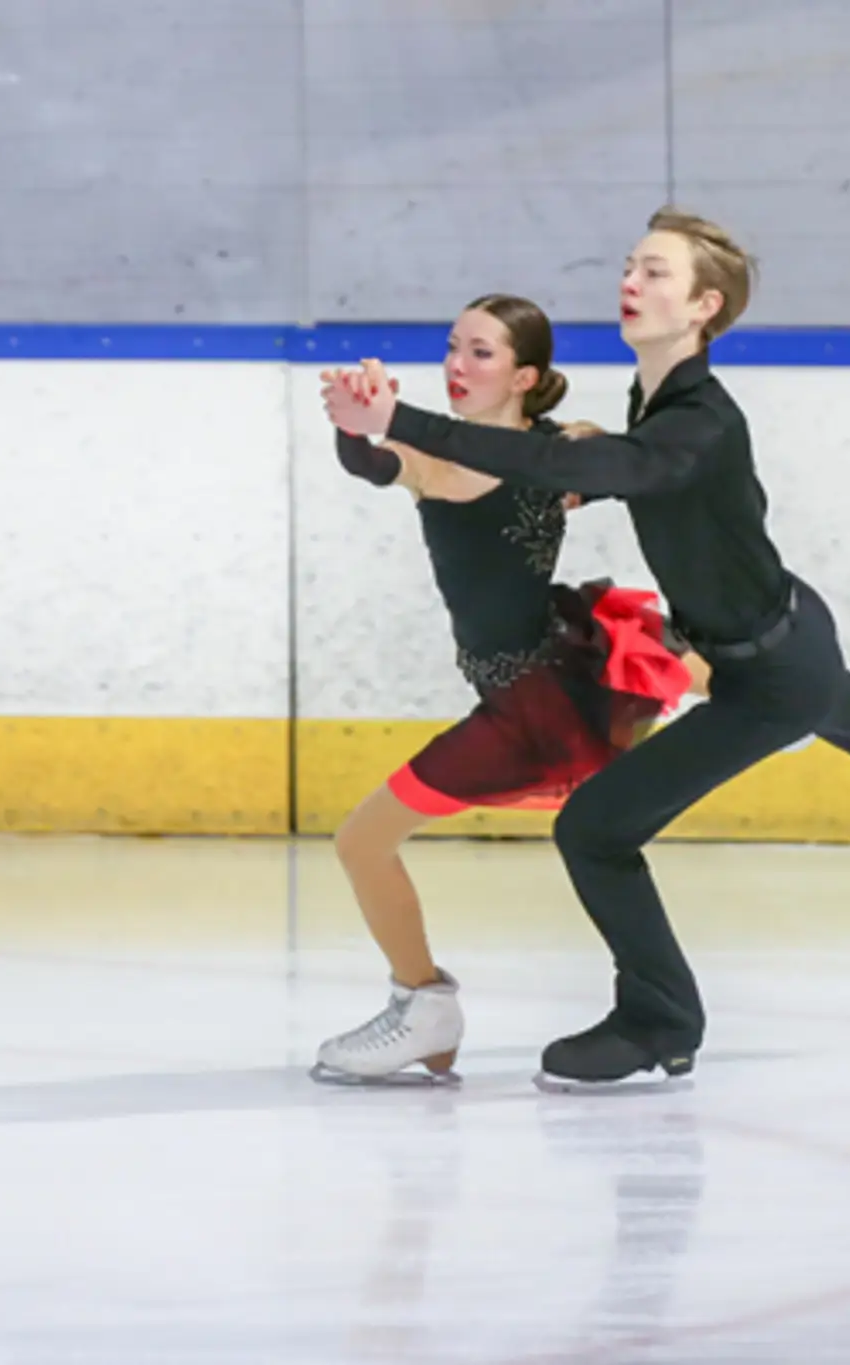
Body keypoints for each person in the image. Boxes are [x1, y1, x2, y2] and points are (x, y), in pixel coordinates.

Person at [320, 208, 850, 1091]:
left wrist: (407, 418)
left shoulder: (697, 423)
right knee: (836, 697)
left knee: (598, 827)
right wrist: (384, 432)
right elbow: (565, 469)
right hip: (769, 640)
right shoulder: (653, 403)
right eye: (630, 265)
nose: (630, 281)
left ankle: (660, 1021)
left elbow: (594, 469)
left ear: (704, 306)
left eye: (655, 272)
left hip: (768, 667)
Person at [311, 293, 699, 1087]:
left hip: (532, 700)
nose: (457, 365)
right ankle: (792, 709)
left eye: (481, 352)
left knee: (361, 842)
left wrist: (596, 479)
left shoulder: (562, 449)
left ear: (525, 375)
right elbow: (374, 462)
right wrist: (352, 426)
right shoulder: (434, 457)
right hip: (534, 679)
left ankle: (423, 1004)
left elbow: (639, 471)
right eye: (453, 347)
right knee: (661, 651)